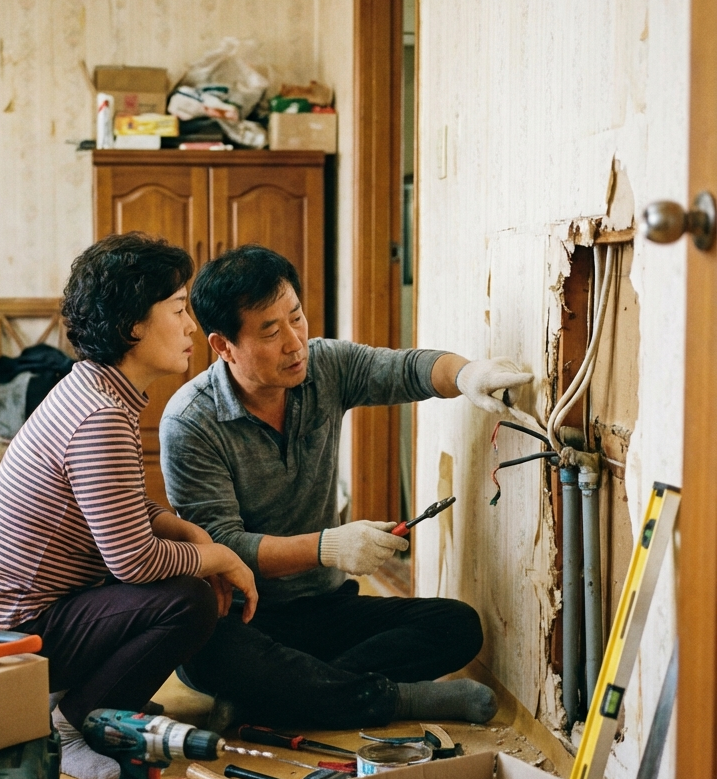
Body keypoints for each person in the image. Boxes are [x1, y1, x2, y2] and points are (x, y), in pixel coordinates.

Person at [159, 245, 532, 732]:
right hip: (246, 617)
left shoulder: (323, 366)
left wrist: (465, 375)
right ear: (223, 346)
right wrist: (329, 547)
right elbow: (223, 545)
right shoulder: (190, 422)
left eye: (296, 317)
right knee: (205, 650)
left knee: (456, 625)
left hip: (325, 608)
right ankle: (391, 699)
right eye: (270, 332)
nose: (295, 343)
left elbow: (407, 369)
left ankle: (281, 696)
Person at [0, 233, 258, 779]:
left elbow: (119, 504)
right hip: (5, 637)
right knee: (188, 600)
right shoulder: (100, 416)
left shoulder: (95, 391)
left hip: (2, 620)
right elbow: (133, 562)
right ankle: (71, 728)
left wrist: (184, 530)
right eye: (177, 310)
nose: (191, 326)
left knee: (180, 575)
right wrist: (221, 557)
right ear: (133, 326)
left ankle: (87, 697)